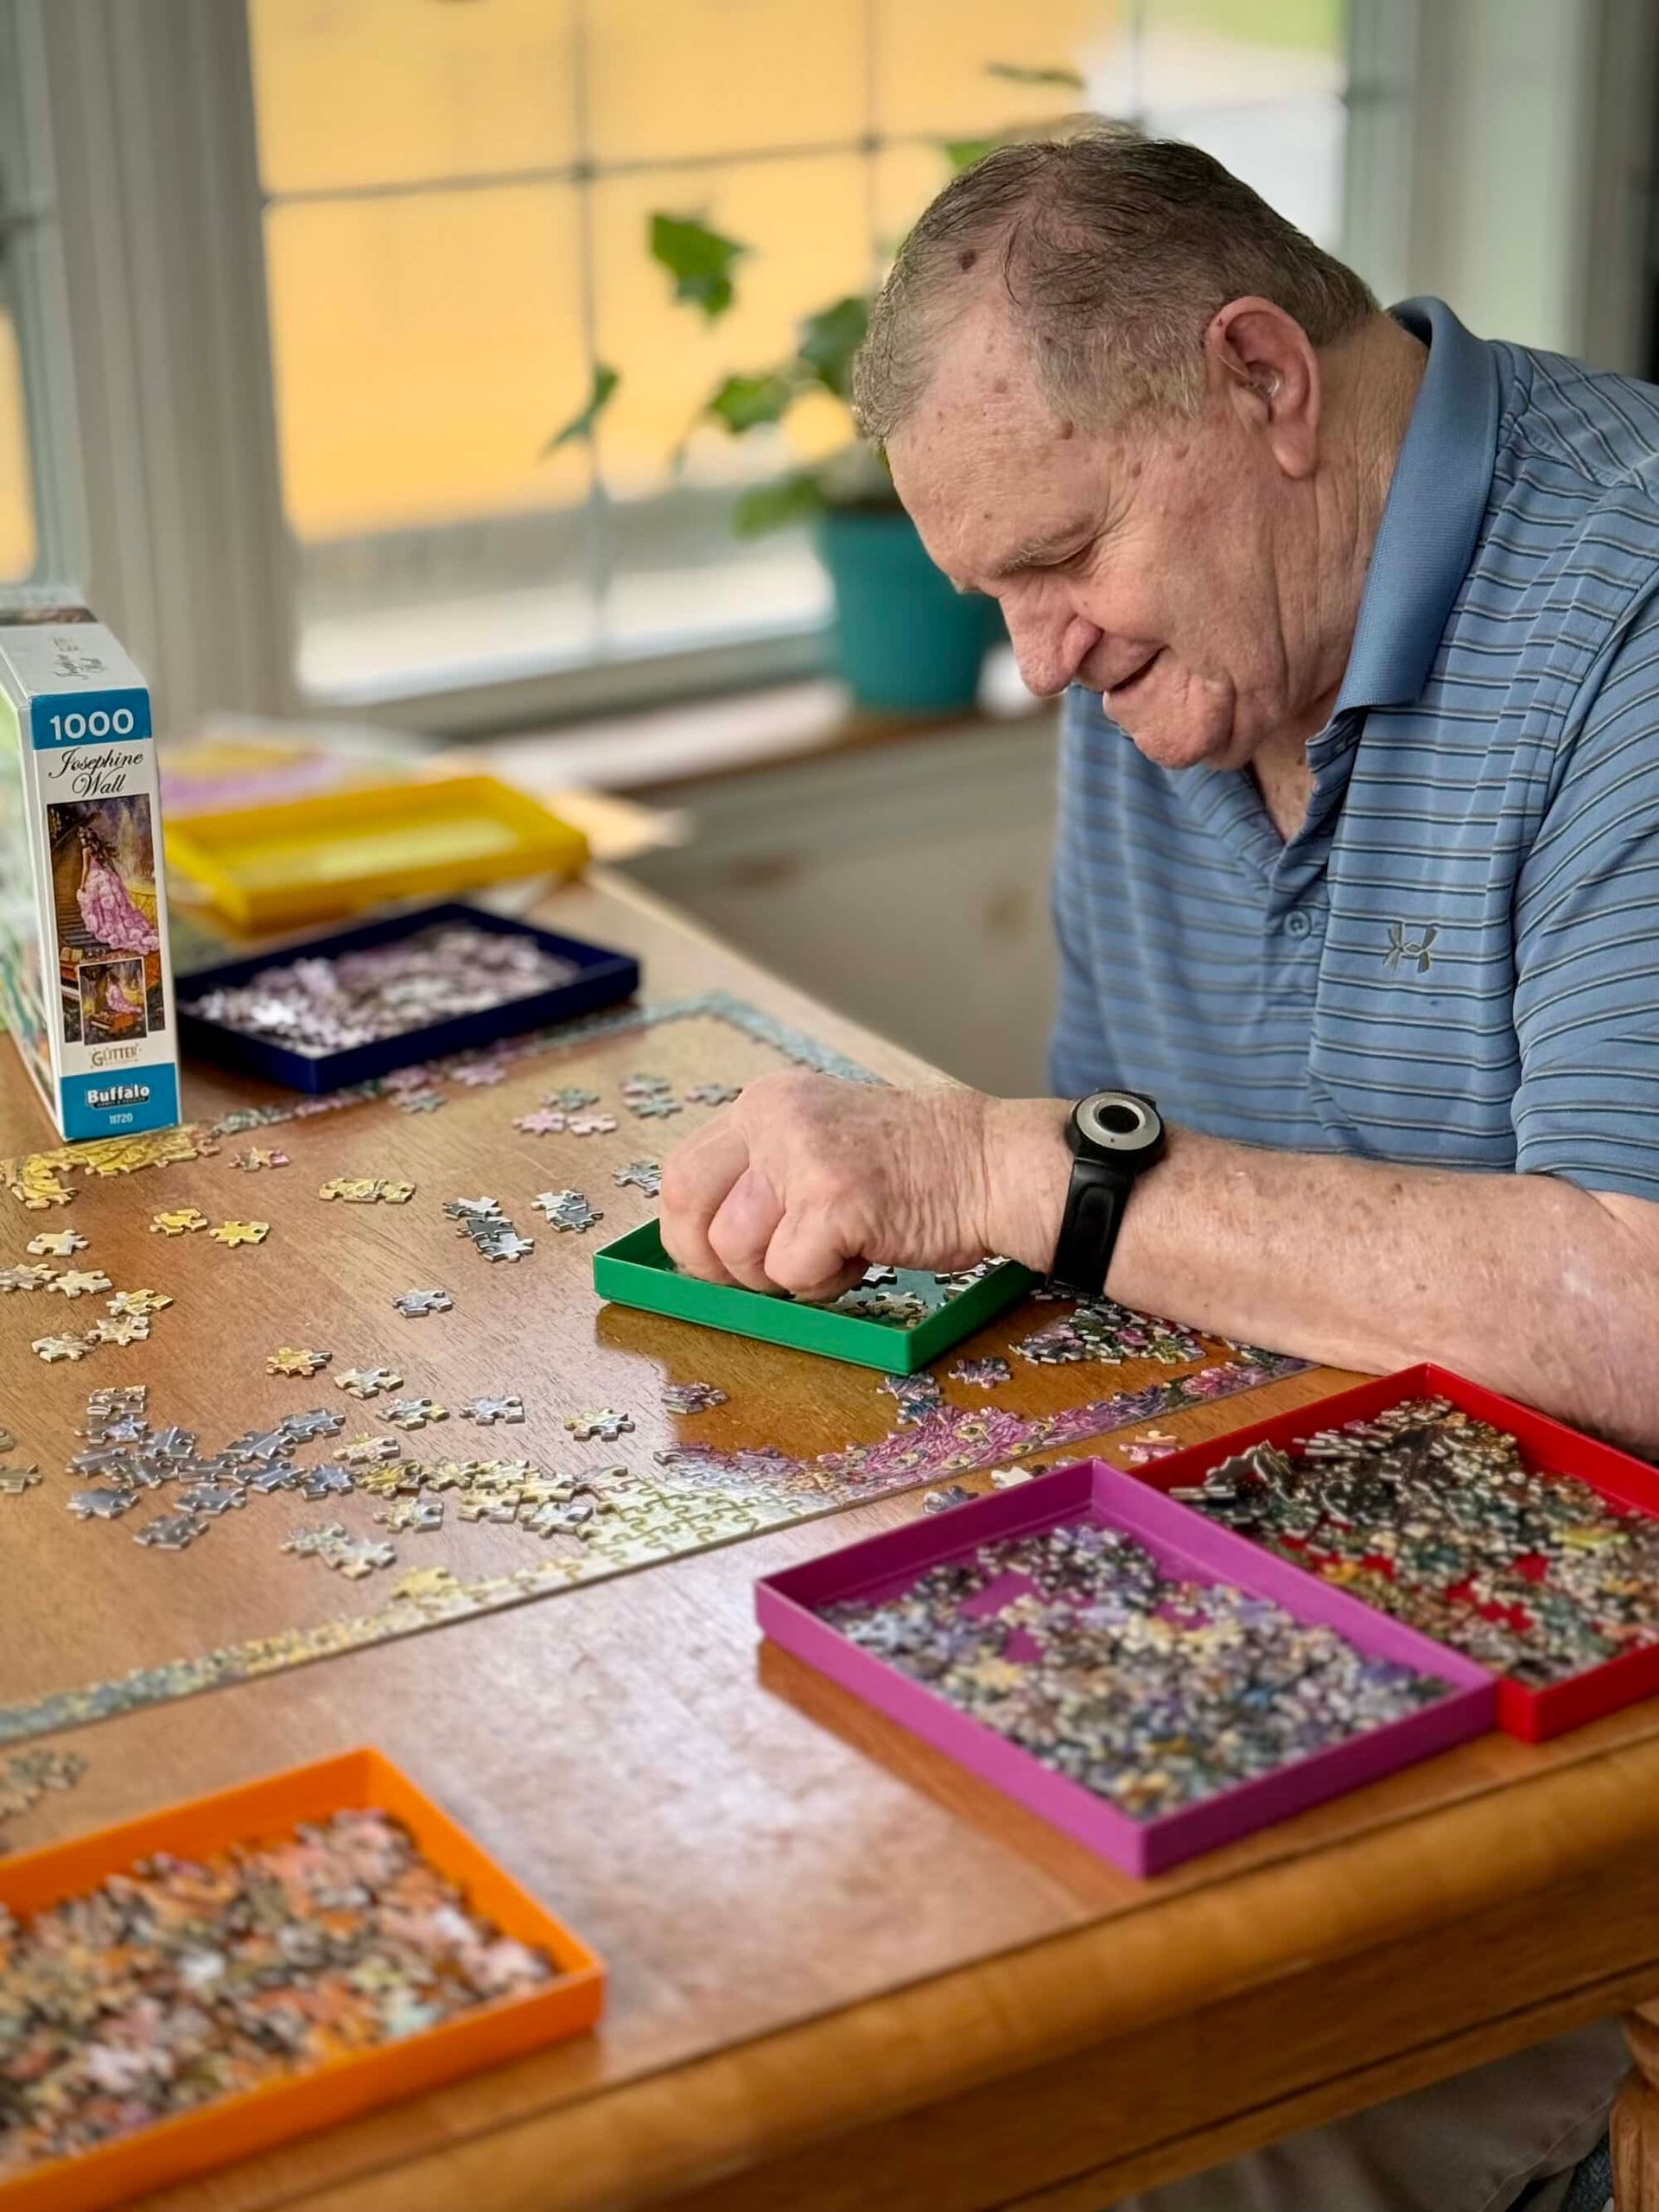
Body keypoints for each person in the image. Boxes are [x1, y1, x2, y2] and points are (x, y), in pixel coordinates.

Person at [659, 127, 1644, 2212]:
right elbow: (1151, 1276)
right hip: (1285, 1612)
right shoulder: (1165, 667)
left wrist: (1030, 1169)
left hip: (1581, 1746)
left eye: (1063, 557)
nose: (1038, 661)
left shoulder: (1630, 620)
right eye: (990, 595)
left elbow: (1637, 1306)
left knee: (947, 2150)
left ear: (1265, 383)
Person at [74, 823, 159, 955]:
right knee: (113, 908)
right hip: (107, 877)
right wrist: (116, 876)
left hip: (95, 879)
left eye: (81, 838)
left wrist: (81, 885)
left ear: (84, 838)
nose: (81, 840)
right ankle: (114, 928)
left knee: (100, 907)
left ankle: (106, 929)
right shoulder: (99, 847)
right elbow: (108, 863)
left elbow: (86, 868)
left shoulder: (86, 850)